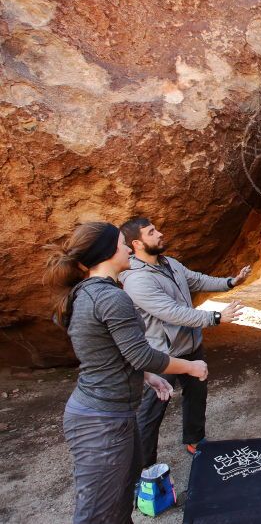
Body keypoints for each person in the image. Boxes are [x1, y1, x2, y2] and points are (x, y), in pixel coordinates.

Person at [44, 222, 209, 524]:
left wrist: (148, 376)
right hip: (101, 421)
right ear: (108, 252)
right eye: (121, 244)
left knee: (119, 505)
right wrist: (190, 366)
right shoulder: (110, 298)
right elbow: (140, 353)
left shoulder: (91, 292)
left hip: (112, 414)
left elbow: (111, 352)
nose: (126, 248)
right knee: (97, 514)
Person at [118, 217, 250, 467]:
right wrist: (216, 317)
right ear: (136, 243)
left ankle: (195, 440)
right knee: (151, 412)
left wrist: (231, 282)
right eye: (152, 232)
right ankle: (145, 469)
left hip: (191, 346)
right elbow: (172, 312)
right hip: (162, 355)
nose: (160, 233)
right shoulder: (137, 280)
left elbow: (197, 280)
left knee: (197, 394)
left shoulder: (169, 263)